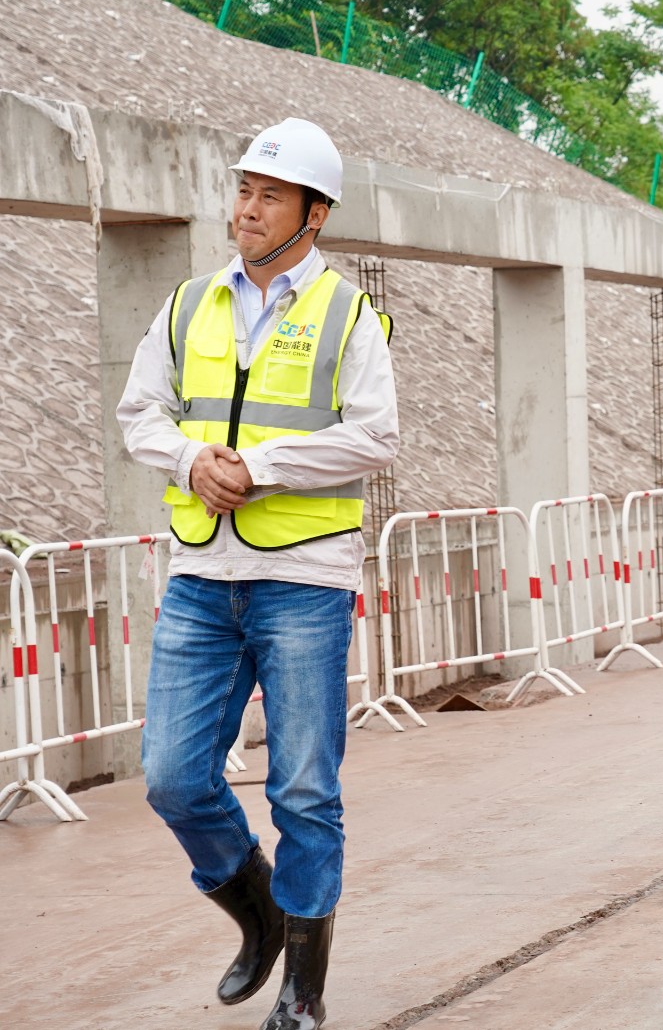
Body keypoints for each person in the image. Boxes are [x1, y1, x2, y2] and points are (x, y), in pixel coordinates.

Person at [117, 118, 399, 1030]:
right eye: (243, 190)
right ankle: (261, 914)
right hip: (202, 572)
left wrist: (261, 467)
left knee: (304, 788)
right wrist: (192, 459)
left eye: (270, 195)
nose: (247, 208)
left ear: (315, 215)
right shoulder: (189, 303)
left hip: (306, 581)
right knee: (172, 776)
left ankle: (304, 992)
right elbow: (140, 412)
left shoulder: (349, 315)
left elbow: (375, 436)